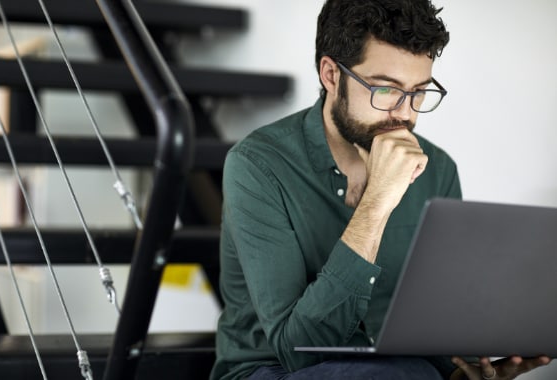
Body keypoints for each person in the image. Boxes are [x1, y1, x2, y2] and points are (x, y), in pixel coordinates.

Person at [210, 1, 551, 379]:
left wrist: (458, 371)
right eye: (386, 90)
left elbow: (436, 323)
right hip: (272, 370)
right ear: (330, 75)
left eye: (419, 92)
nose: (405, 114)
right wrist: (377, 202)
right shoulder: (258, 165)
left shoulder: (437, 169)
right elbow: (298, 350)